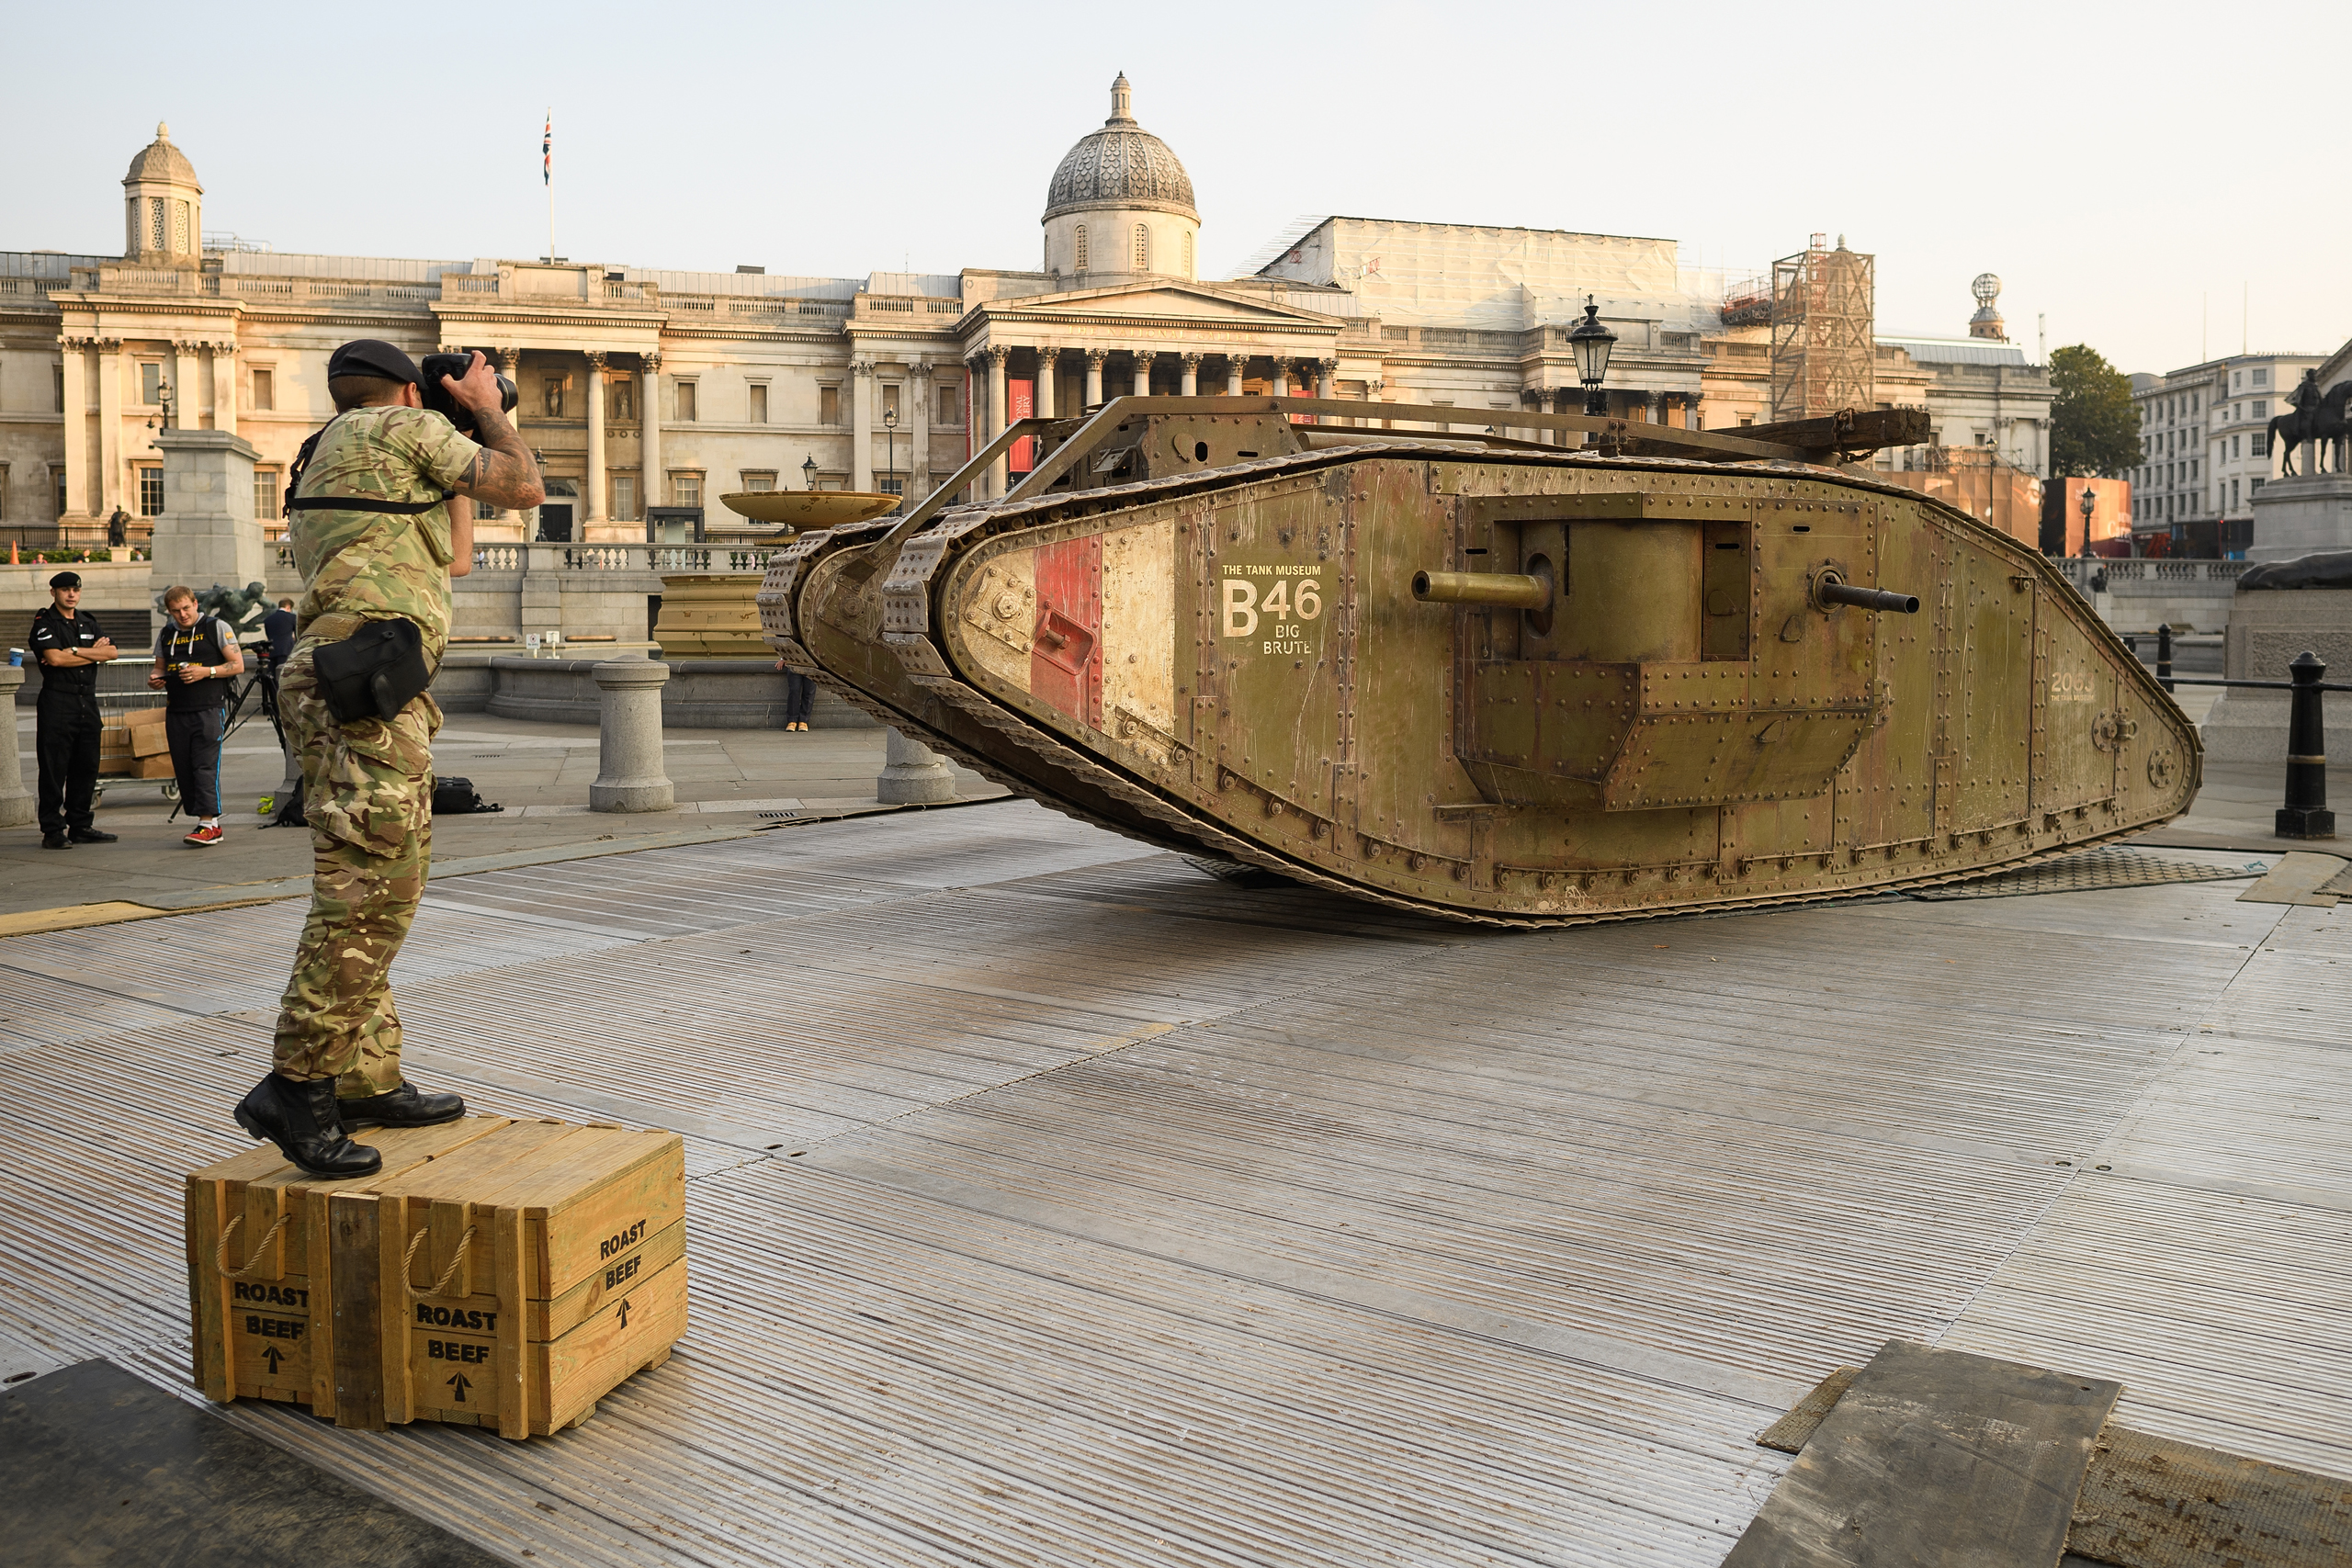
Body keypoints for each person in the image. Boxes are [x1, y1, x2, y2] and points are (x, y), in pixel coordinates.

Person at [235, 339, 543, 1178]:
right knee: (374, 891)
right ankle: (295, 1088)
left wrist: (454, 462)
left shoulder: (326, 450)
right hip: (363, 689)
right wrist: (486, 410)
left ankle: (365, 1077)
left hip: (350, 683)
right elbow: (526, 487)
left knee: (364, 877)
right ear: (412, 391)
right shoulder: (397, 431)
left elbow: (461, 554)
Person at [28, 570, 121, 851]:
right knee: (55, 766)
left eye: (75, 590)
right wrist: (89, 651)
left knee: (87, 766)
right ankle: (53, 829)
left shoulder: (87, 621)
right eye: (65, 590)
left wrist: (76, 651)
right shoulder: (46, 623)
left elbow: (112, 652)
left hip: (86, 701)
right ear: (53, 592)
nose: (71, 595)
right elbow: (54, 659)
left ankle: (81, 825)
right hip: (58, 701)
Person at [150, 584, 243, 846]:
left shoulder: (216, 627)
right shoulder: (167, 633)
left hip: (209, 708)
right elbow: (159, 668)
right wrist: (156, 679)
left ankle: (207, 824)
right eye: (175, 611)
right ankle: (209, 822)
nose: (182, 615)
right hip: (177, 709)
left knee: (204, 765)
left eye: (186, 608)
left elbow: (238, 665)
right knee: (184, 767)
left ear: (195, 604)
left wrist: (206, 672)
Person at [775, 655, 814, 731]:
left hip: (811, 663)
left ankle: (804, 720)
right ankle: (792, 720)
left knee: (808, 692)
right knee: (794, 690)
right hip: (794, 661)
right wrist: (783, 659)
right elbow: (788, 643)